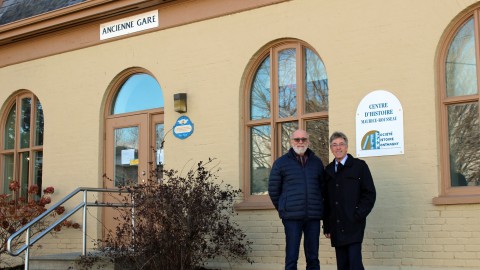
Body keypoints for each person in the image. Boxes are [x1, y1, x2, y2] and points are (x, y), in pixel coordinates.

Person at [268, 129, 325, 270]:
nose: (300, 142)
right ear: (291, 141)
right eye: (297, 139)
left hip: (313, 216)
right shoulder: (281, 163)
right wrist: (283, 207)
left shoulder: (317, 163)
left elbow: (323, 189)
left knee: (313, 257)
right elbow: (274, 190)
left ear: (308, 141)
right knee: (292, 257)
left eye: (304, 139)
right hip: (292, 217)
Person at [323, 131, 376, 270]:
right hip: (336, 225)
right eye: (334, 145)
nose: (338, 147)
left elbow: (369, 193)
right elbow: (326, 200)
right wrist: (327, 225)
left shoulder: (359, 166)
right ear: (331, 148)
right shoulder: (328, 170)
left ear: (346, 147)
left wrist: (358, 214)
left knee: (355, 264)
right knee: (342, 265)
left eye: (341, 144)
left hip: (354, 224)